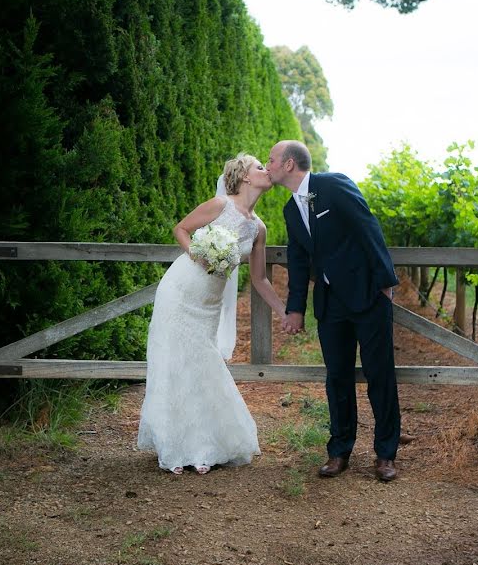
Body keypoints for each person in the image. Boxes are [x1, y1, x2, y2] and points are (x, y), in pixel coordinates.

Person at [137, 153, 287, 475]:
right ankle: (174, 445)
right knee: (174, 363)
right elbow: (181, 229)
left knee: (201, 364)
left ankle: (203, 445)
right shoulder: (220, 205)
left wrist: (285, 312)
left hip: (208, 305)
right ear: (245, 176)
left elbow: (259, 279)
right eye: (260, 166)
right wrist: (199, 255)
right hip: (180, 291)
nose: (266, 170)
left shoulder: (259, 228)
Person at [267, 140, 402, 482]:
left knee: (379, 375)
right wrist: (295, 308)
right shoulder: (288, 209)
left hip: (368, 296)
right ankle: (339, 451)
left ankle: (386, 454)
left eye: (271, 159)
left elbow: (368, 227)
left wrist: (385, 283)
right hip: (330, 304)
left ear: (289, 164)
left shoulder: (333, 184)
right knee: (337, 378)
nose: (267, 165)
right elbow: (298, 261)